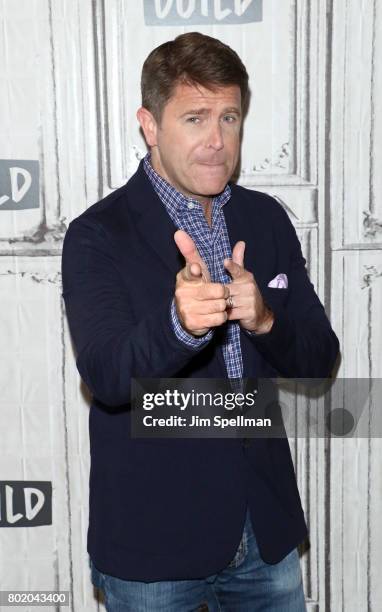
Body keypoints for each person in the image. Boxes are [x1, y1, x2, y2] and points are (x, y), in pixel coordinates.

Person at [62, 32, 339, 611]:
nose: (217, 141)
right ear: (150, 124)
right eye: (194, 118)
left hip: (265, 536)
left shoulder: (266, 220)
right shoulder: (97, 235)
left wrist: (265, 319)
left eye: (229, 116)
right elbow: (108, 376)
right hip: (153, 546)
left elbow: (320, 358)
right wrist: (177, 327)